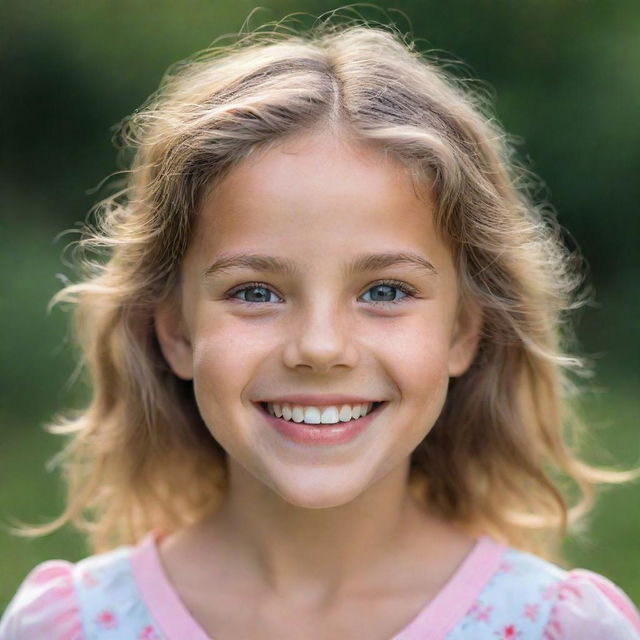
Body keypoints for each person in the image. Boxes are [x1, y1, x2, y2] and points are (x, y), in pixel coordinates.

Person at [1, 12, 639, 640]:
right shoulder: (65, 628)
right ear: (175, 332)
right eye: (255, 291)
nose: (320, 347)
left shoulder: (561, 629)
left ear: (463, 332)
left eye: (385, 291)